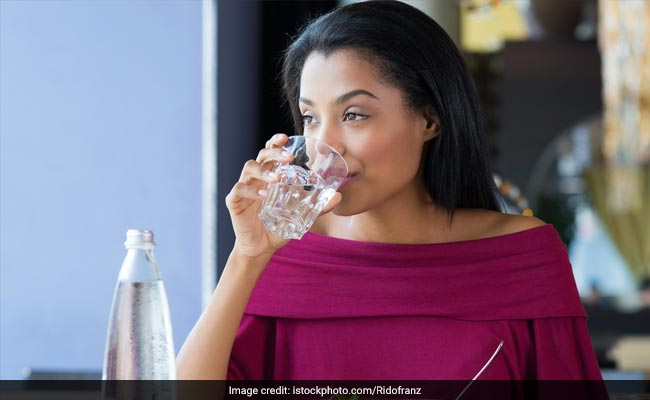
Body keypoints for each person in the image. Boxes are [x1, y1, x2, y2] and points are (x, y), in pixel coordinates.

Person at [177, 0, 603, 382]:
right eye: (309, 118)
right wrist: (246, 257)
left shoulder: (522, 259)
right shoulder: (282, 256)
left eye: (354, 115)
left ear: (429, 119)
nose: (327, 148)